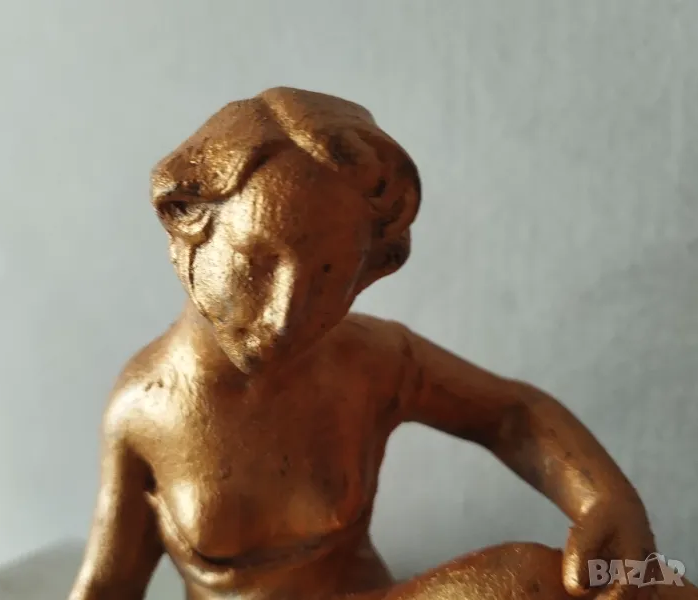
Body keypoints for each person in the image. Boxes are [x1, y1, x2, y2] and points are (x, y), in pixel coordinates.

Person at [68, 87, 694, 600]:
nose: (286, 317)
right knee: (529, 580)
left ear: (372, 270)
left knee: (641, 586)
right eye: (255, 263)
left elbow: (511, 414)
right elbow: (107, 587)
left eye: (328, 279)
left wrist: (604, 498)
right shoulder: (144, 409)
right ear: (185, 221)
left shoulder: (368, 361)